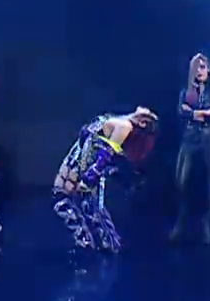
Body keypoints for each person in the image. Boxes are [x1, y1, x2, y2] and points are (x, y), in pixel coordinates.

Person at [52, 107, 159, 253]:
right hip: (81, 151)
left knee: (89, 203)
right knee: (62, 196)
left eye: (149, 113)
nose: (146, 108)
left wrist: (89, 179)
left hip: (88, 160)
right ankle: (85, 239)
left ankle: (101, 243)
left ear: (143, 122)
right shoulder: (124, 119)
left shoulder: (125, 127)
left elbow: (106, 154)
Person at [170, 53, 210, 245]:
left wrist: (193, 113)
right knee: (181, 181)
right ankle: (180, 222)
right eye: (196, 68)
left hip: (209, 140)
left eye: (202, 67)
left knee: (209, 182)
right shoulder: (186, 92)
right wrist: (200, 113)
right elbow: (181, 110)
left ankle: (205, 225)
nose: (199, 71)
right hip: (189, 139)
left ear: (208, 69)